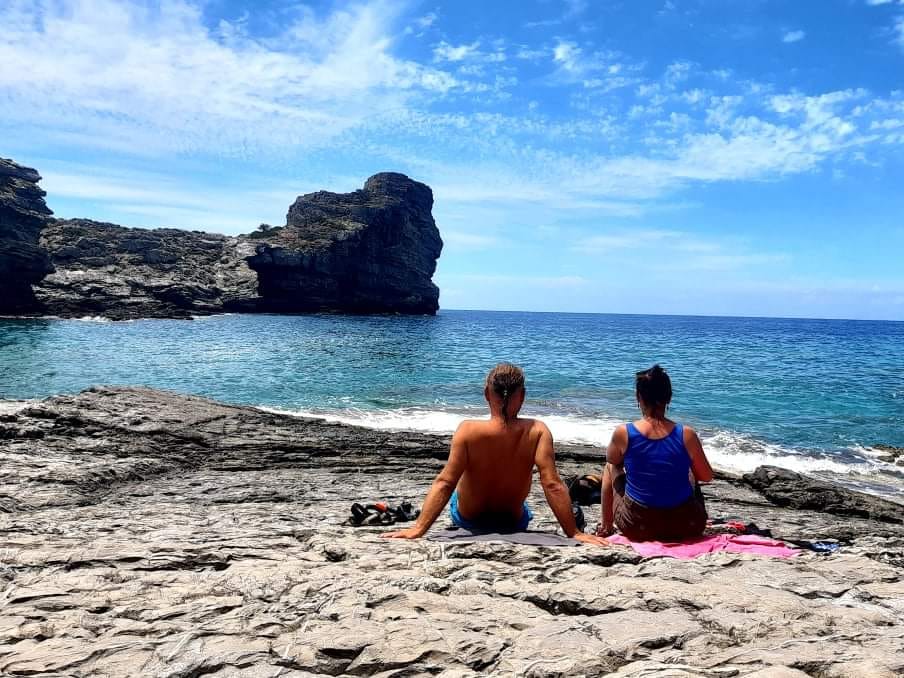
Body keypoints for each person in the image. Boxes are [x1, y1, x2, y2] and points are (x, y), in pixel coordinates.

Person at [383, 363, 608, 546]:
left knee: (456, 490)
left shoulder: (467, 430)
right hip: (513, 522)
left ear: (486, 395)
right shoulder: (537, 431)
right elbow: (552, 484)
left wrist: (418, 529)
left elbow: (445, 481)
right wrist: (573, 532)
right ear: (523, 396)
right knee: (527, 507)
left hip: (467, 520)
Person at [598, 364, 713, 542]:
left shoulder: (624, 432)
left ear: (638, 397)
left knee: (609, 467)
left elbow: (614, 459)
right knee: (688, 468)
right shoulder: (687, 434)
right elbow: (706, 476)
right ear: (669, 397)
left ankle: (606, 526)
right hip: (687, 525)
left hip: (638, 526)